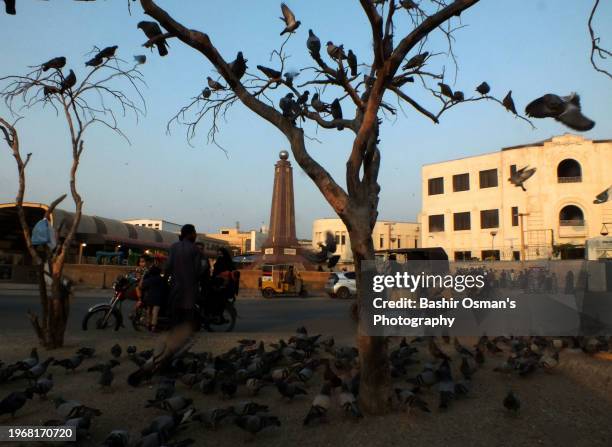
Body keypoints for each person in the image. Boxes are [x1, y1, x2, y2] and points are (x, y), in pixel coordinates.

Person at [141, 265, 168, 332]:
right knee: (155, 312)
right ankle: (153, 326)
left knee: (149, 311)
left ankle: (148, 324)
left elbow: (142, 285)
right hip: (159, 299)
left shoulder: (150, 279)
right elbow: (167, 288)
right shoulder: (162, 279)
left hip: (150, 298)